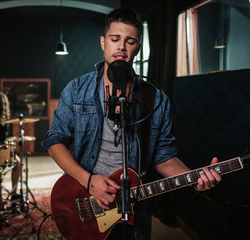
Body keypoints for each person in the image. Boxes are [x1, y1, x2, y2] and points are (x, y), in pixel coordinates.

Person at [42, 8, 221, 240]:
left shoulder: (155, 99)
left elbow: (163, 156)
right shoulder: (76, 90)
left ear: (138, 47)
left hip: (136, 204)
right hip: (85, 195)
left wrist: (194, 178)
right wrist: (88, 180)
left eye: (130, 41)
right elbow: (55, 141)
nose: (121, 47)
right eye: (115, 39)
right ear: (103, 42)